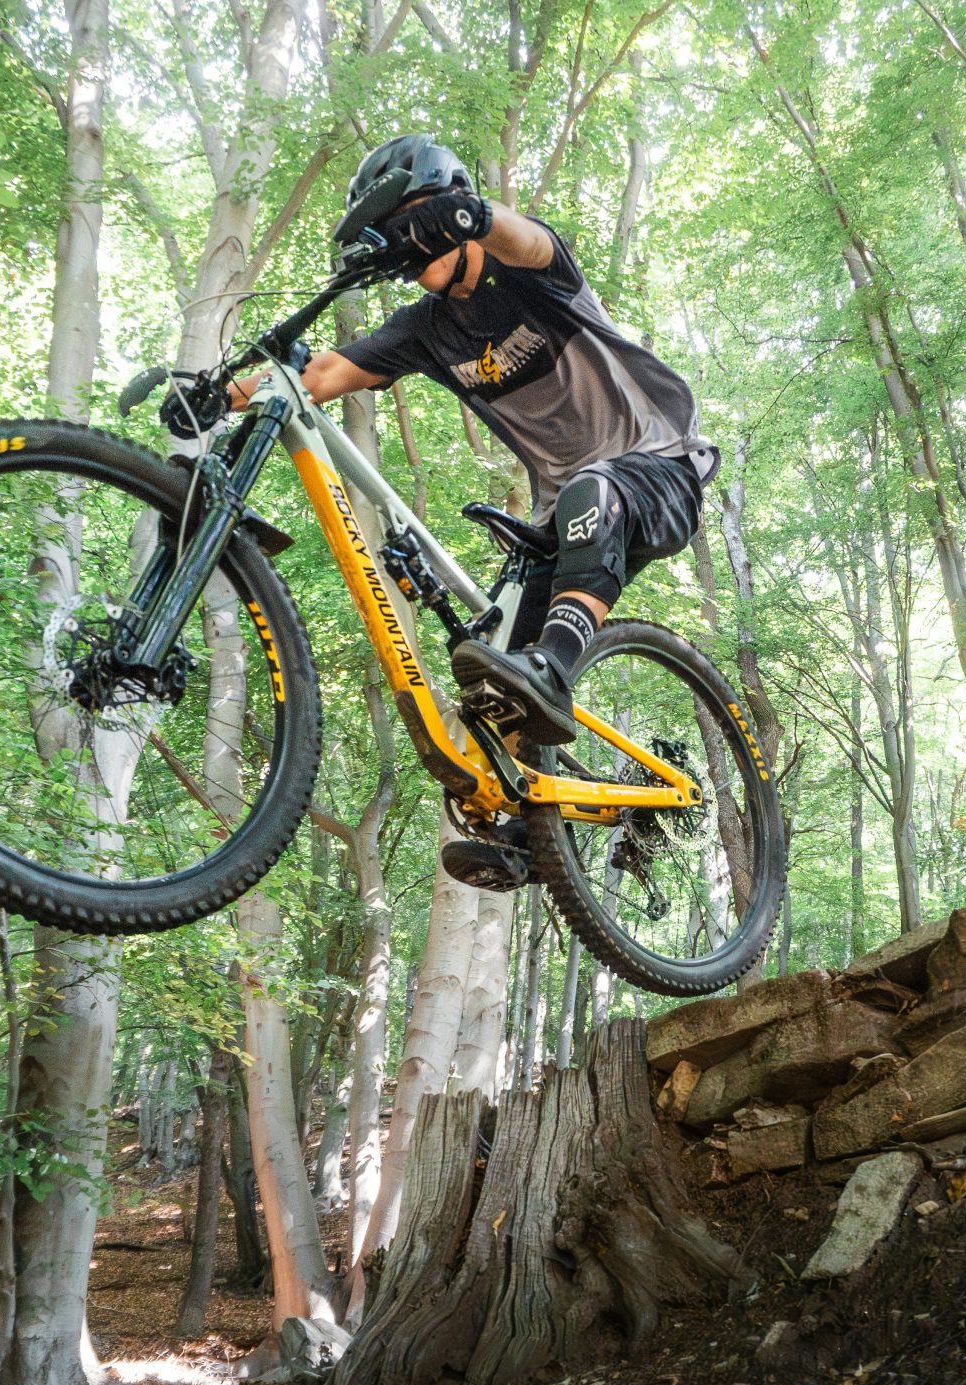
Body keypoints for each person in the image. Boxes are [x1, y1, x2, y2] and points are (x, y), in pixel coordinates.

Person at [242, 133, 718, 890]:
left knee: (589, 497)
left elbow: (532, 241)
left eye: (413, 223)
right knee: (494, 678)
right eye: (394, 236)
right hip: (564, 515)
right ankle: (531, 830)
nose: (408, 247)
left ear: (448, 208)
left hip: (660, 467)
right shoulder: (427, 329)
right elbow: (325, 372)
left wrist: (473, 216)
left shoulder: (532, 276)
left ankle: (556, 668)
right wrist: (215, 392)